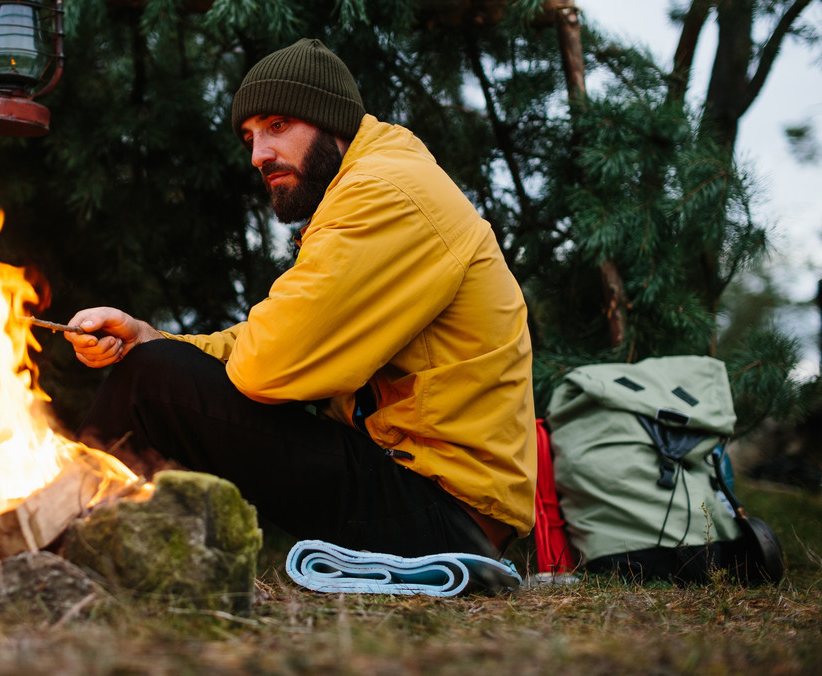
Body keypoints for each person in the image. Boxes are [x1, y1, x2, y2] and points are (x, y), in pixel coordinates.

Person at [65, 38, 536, 560]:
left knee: (152, 380)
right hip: (419, 492)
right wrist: (153, 337)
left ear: (333, 121)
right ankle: (79, 534)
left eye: (278, 126)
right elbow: (276, 339)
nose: (258, 155)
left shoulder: (386, 195)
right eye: (249, 136)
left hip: (443, 517)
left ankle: (56, 539)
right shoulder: (378, 185)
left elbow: (267, 363)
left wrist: (160, 362)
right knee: (153, 364)